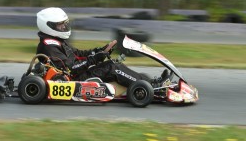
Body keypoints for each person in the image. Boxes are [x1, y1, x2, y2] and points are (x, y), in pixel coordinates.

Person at [36, 7, 167, 87]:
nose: (64, 27)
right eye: (60, 25)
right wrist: (95, 59)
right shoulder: (49, 46)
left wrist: (100, 50)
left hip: (77, 74)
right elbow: (70, 69)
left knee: (113, 64)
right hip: (73, 79)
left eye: (64, 24)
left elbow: (78, 54)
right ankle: (149, 86)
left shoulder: (57, 41)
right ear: (48, 26)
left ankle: (149, 82)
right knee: (113, 67)